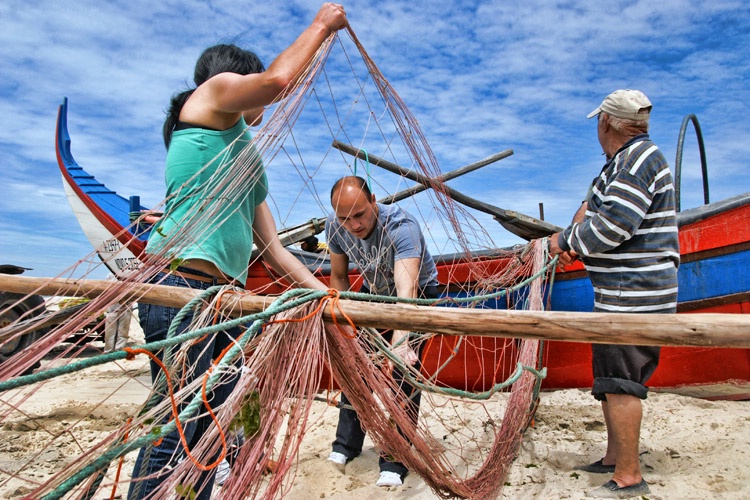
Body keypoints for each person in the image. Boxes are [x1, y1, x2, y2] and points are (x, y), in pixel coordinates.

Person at [128, 5, 348, 499]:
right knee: (178, 428)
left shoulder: (243, 159)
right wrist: (321, 24)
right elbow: (277, 82)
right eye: (244, 78)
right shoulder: (207, 98)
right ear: (229, 79)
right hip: (180, 290)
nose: (253, 90)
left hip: (223, 303)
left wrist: (326, 297)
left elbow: (274, 254)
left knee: (212, 432)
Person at [546, 90, 679, 499]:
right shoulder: (619, 164)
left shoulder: (638, 161)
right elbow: (592, 209)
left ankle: (628, 475)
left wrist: (564, 240)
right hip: (617, 293)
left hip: (634, 296)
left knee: (621, 383)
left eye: (599, 122)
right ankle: (612, 458)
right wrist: (572, 236)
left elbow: (614, 225)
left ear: (607, 123)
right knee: (608, 378)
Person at [324, 176, 439, 488]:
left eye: (360, 214)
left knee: (403, 372)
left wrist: (399, 344)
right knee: (356, 367)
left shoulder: (403, 227)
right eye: (345, 218)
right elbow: (338, 278)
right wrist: (345, 328)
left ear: (373, 201)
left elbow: (406, 292)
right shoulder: (335, 227)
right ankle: (345, 446)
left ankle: (395, 458)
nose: (354, 225)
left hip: (417, 293)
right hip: (374, 291)